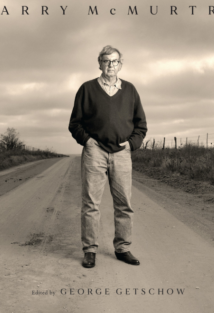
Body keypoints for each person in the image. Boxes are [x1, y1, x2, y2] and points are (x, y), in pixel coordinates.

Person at [68, 45, 147, 269]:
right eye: (106, 61)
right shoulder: (87, 89)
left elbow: (141, 125)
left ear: (120, 64)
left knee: (124, 204)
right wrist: (88, 141)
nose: (110, 65)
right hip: (95, 153)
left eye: (114, 61)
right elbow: (75, 123)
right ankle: (90, 250)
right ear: (99, 63)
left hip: (122, 153)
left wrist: (131, 144)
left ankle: (122, 248)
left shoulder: (130, 90)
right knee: (91, 203)